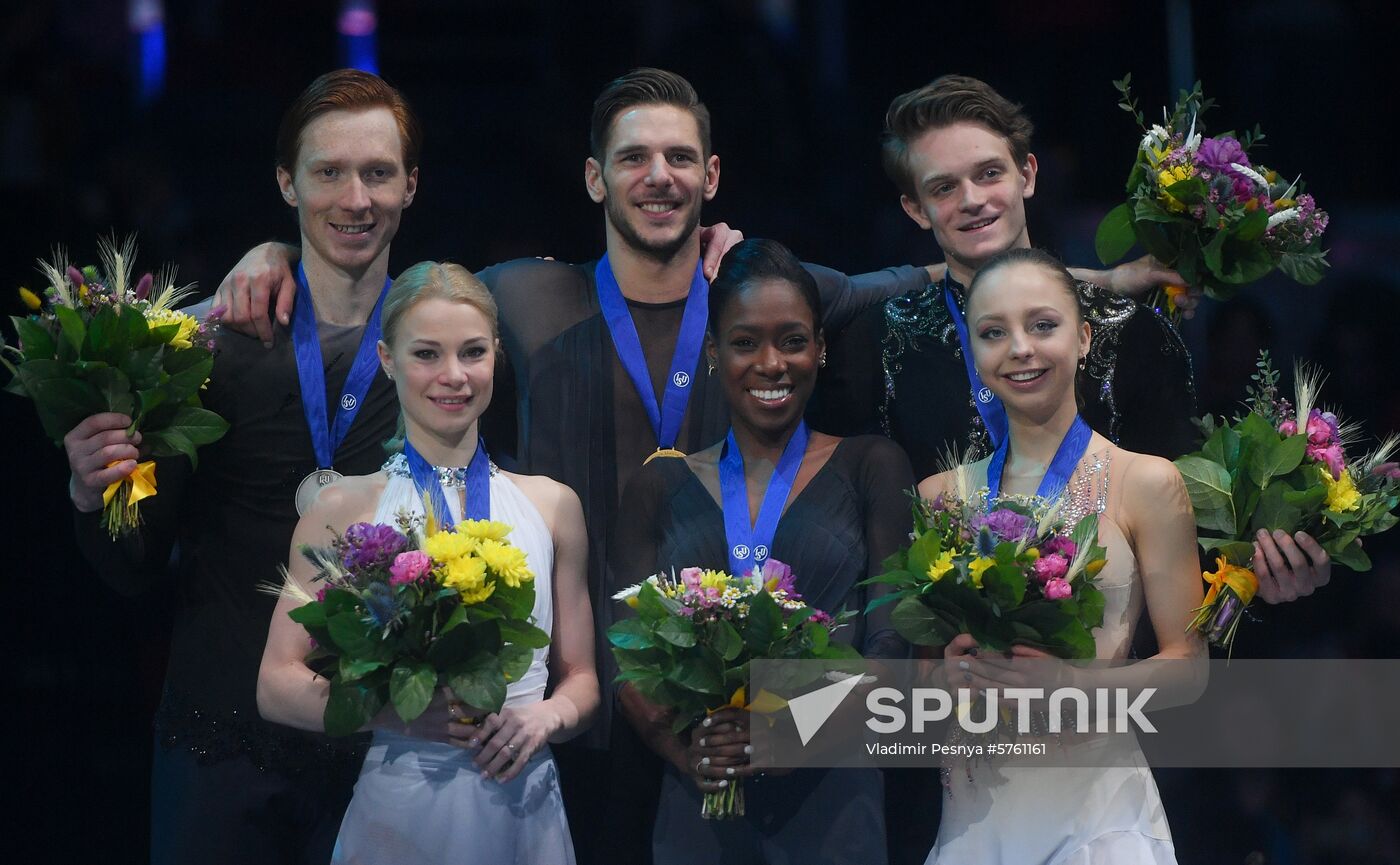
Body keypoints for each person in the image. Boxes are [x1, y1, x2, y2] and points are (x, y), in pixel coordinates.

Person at [214, 66, 938, 864]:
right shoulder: (525, 298)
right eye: (632, 158)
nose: (657, 177)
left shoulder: (757, 298)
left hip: (704, 715)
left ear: (713, 175)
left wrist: (1087, 282)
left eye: (678, 157)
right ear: (594, 176)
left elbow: (927, 280)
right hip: (567, 731)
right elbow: (408, 294)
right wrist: (279, 252)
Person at [62, 69, 418, 863]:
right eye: (328, 172)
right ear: (287, 182)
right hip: (219, 758)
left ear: (411, 186)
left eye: (378, 173)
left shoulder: (444, 355)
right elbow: (132, 564)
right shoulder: (203, 349)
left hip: (387, 758)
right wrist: (92, 493)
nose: (355, 198)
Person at [813, 73, 1331, 616]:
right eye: (943, 187)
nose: (972, 200)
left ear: (1027, 174)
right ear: (916, 209)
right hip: (948, 675)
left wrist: (1258, 575)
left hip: (1112, 679)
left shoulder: (1135, 332)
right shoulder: (875, 343)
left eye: (989, 174)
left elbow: (1191, 540)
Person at [258, 261, 598, 864]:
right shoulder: (341, 510)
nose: (453, 376)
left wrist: (545, 718)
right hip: (404, 806)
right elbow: (277, 684)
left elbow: (582, 678)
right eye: (426, 354)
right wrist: (394, 713)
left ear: (496, 353)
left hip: (523, 805)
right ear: (388, 360)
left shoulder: (553, 506)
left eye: (472, 353)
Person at [610, 238, 915, 864]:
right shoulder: (656, 486)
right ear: (716, 354)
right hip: (702, 805)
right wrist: (688, 751)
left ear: (822, 348)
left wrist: (793, 733)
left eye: (793, 340)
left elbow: (891, 648)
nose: (771, 363)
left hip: (833, 805)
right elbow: (626, 660)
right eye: (746, 342)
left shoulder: (872, 466)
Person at [917, 248, 1208, 863]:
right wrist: (947, 680)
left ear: (1084, 339)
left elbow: (1188, 668)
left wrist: (1074, 685)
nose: (1019, 347)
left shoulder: (1146, 482)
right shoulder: (939, 497)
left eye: (1042, 325)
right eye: (993, 332)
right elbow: (923, 686)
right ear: (972, 351)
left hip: (1100, 818)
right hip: (975, 819)